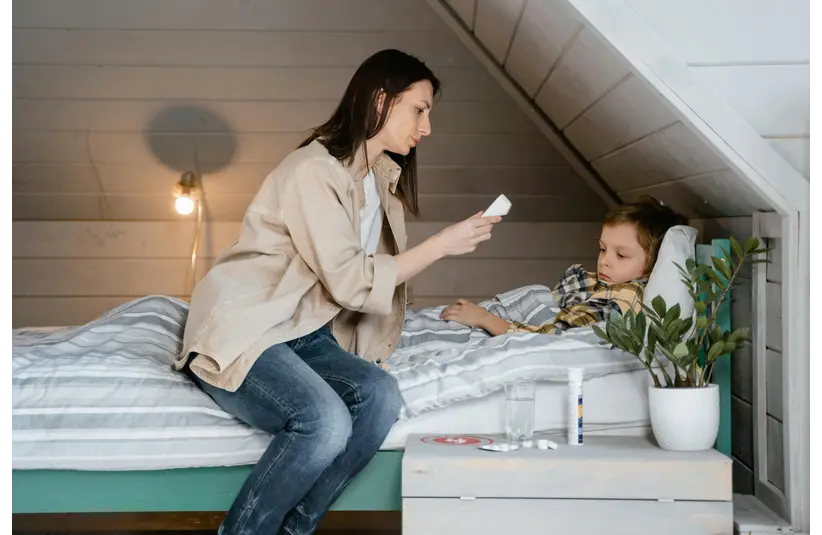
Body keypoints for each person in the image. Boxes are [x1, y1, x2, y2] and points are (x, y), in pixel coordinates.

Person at [174, 49, 502, 535]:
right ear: (380, 99)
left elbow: (364, 290)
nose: (427, 126)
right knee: (324, 423)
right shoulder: (314, 170)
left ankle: (294, 530)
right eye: (420, 108)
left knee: (380, 396)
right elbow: (351, 280)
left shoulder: (380, 183)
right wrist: (440, 245)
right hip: (253, 328)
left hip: (306, 333)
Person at [440, 196, 687, 336]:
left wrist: (485, 319)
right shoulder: (599, 280)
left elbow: (554, 338)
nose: (605, 260)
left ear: (651, 265)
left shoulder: (622, 298)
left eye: (621, 255)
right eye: (602, 249)